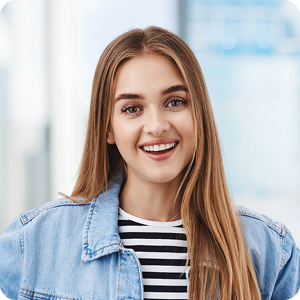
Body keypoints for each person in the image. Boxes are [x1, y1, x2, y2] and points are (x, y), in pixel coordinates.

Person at [0, 26, 299, 300]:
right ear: (107, 128)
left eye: (175, 102)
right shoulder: (33, 243)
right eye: (132, 109)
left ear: (200, 115)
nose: (156, 126)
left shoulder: (272, 252)